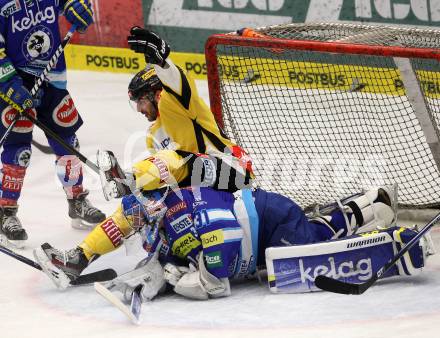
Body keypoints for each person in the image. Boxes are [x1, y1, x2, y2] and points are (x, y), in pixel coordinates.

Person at [33, 182, 433, 301]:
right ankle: (368, 203)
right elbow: (170, 253)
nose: (138, 224)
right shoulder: (174, 210)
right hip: (258, 220)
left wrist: (175, 280)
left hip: (274, 221)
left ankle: (389, 230)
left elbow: (217, 283)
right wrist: (151, 276)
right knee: (307, 236)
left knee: (306, 250)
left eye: (142, 213)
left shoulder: (198, 224)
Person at [100, 27, 254, 202]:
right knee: (139, 203)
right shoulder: (153, 135)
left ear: (155, 94)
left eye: (141, 101)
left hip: (233, 171)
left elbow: (177, 81)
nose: (139, 109)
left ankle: (130, 178)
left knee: (175, 160)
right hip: (203, 184)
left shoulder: (177, 102)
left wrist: (161, 63)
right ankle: (130, 184)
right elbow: (170, 174)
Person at [0, 0, 106, 247]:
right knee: (19, 149)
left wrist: (77, 7)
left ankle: (77, 200)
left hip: (53, 77)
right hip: (16, 82)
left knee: (67, 143)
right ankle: (6, 212)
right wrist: (8, 85)